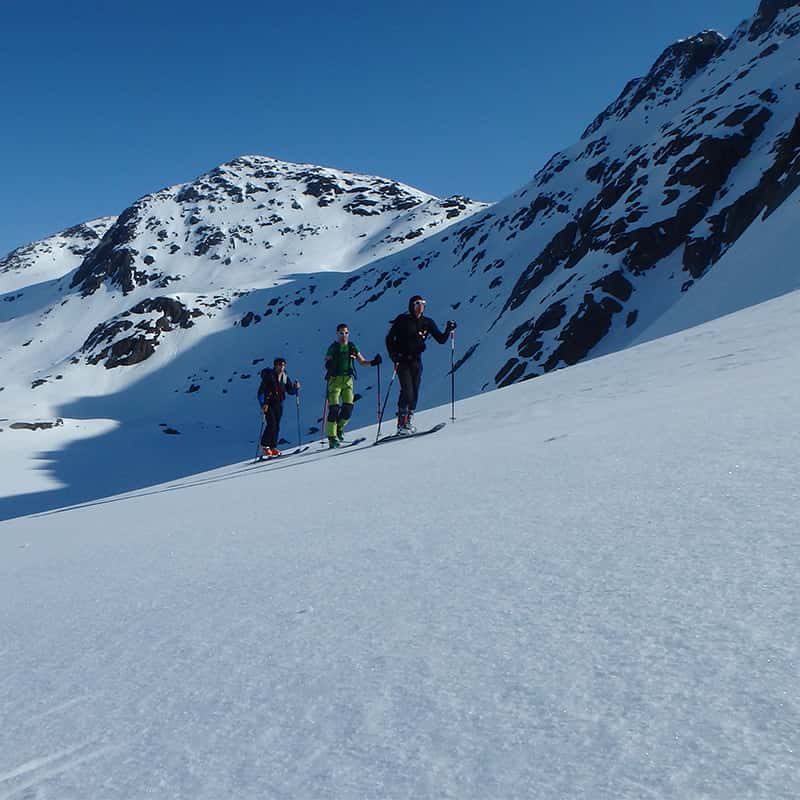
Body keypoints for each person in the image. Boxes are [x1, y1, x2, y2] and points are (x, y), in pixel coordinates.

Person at [385, 295, 456, 434]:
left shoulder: (427, 322)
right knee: (407, 391)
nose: (420, 306)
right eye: (417, 303)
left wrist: (448, 330)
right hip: (402, 360)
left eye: (423, 303)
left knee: (415, 392)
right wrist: (394, 357)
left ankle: (408, 421)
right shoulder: (402, 320)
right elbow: (389, 339)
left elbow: (441, 339)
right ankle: (401, 424)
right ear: (411, 305)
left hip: (416, 361)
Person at [324, 323, 382, 449]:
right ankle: (332, 437)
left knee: (348, 409)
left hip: (348, 381)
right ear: (337, 334)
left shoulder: (352, 347)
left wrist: (373, 362)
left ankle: (339, 428)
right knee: (334, 409)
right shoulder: (333, 348)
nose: (343, 335)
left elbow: (361, 361)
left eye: (346, 333)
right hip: (335, 381)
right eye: (341, 333)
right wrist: (329, 365)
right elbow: (327, 360)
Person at [257, 357, 300, 457]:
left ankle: (273, 447)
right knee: (271, 424)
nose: (282, 367)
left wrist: (295, 388)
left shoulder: (284, 377)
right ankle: (265, 446)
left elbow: (289, 390)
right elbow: (261, 392)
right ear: (275, 366)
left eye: (283, 365)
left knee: (276, 426)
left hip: (279, 404)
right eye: (280, 365)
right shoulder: (269, 376)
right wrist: (263, 404)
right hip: (268, 404)